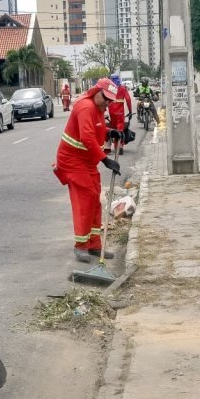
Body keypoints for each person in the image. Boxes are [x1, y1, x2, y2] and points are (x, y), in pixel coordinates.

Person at [54, 78, 122, 263]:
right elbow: (87, 138)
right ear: (96, 92)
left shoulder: (97, 108)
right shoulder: (86, 107)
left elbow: (96, 129)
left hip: (86, 162)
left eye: (110, 100)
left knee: (94, 199)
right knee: (85, 200)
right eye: (105, 98)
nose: (108, 103)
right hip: (72, 161)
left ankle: (94, 244)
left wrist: (110, 132)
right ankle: (81, 246)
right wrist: (105, 160)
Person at [107, 74, 132, 155]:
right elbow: (128, 99)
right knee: (120, 127)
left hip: (111, 111)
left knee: (114, 127)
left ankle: (115, 145)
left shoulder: (110, 88)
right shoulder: (122, 88)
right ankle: (120, 145)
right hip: (120, 112)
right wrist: (130, 111)